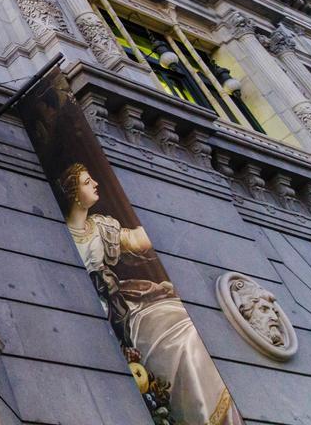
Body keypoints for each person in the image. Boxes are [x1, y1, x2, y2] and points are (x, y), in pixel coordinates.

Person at [59, 163, 241, 425]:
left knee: (186, 329)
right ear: (75, 192)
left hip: (128, 305)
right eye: (88, 182)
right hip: (99, 311)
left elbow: (134, 240)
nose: (95, 184)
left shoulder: (99, 227)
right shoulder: (64, 230)